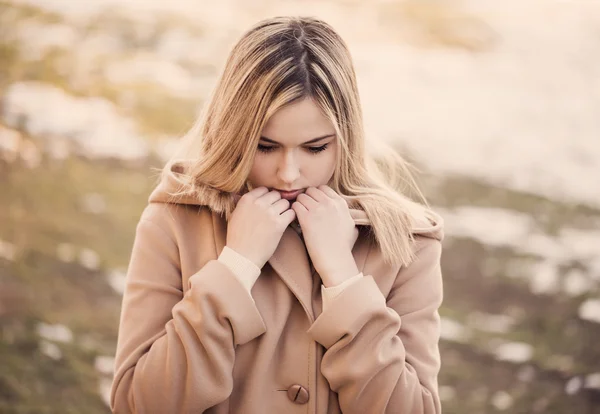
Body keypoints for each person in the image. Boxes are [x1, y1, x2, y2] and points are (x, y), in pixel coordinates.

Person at [110, 15, 444, 414]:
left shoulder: (404, 243)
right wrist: (235, 267)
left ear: (346, 137)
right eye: (266, 147)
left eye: (315, 147)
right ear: (234, 133)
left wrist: (342, 278)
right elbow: (138, 404)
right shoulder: (175, 221)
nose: (288, 172)